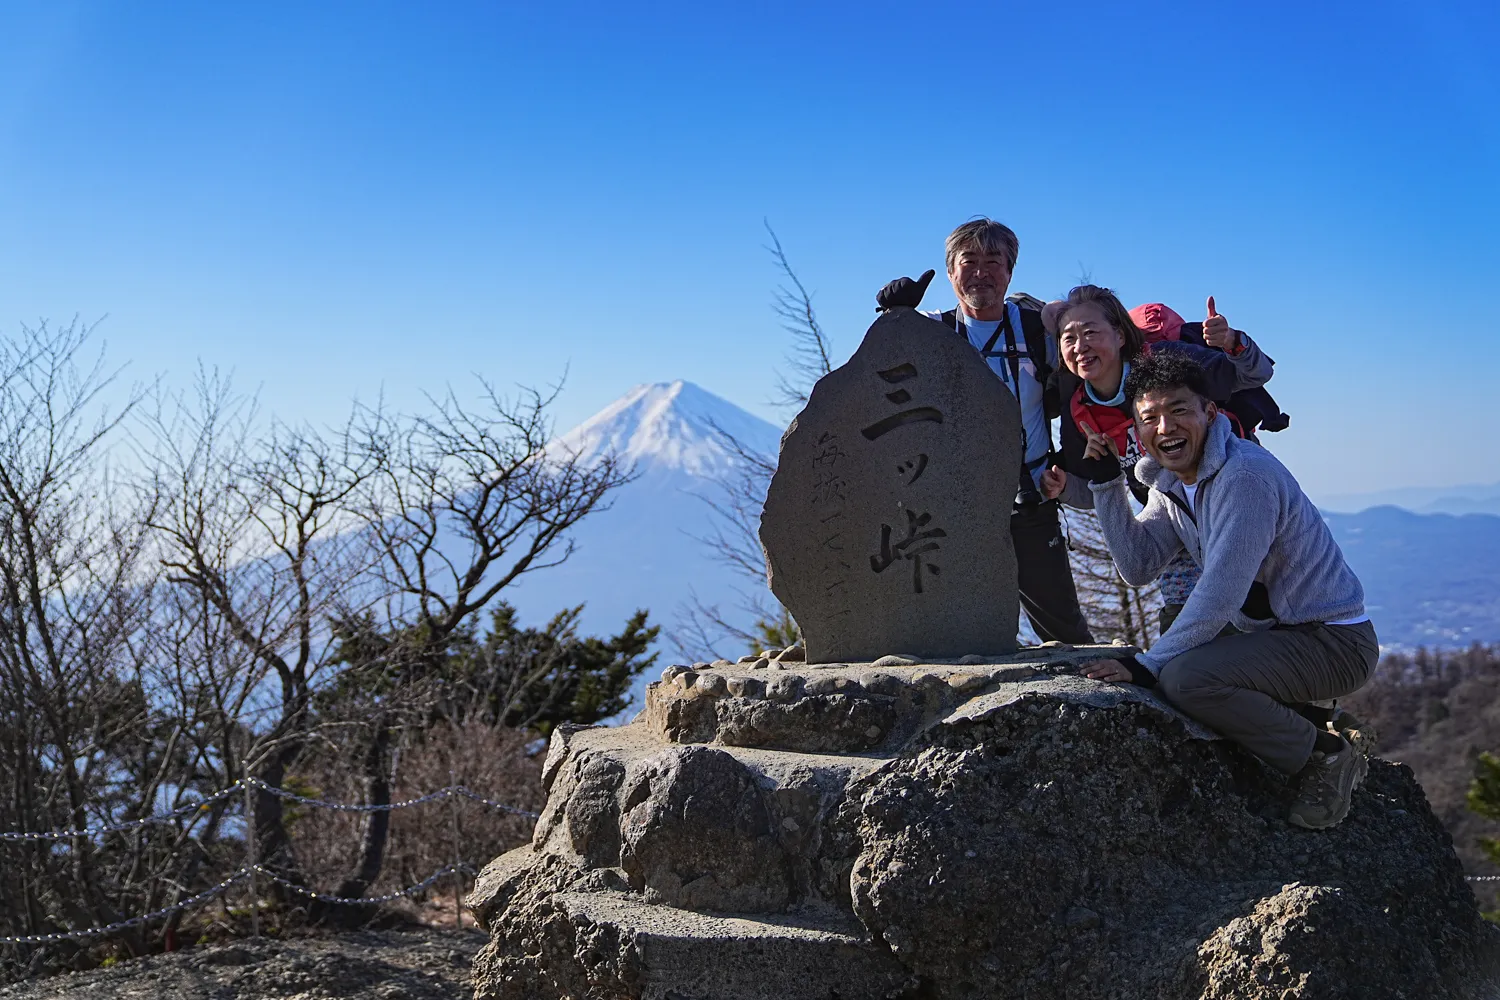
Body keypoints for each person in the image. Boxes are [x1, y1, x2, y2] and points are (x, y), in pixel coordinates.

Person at [1079, 351, 1377, 830]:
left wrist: (1146, 665)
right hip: (1276, 636)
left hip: (1333, 641)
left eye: (1179, 410)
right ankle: (1296, 715)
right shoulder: (1172, 483)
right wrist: (1105, 488)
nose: (1165, 427)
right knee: (1177, 633)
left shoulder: (1245, 476)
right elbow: (1136, 567)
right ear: (1136, 431)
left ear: (1209, 413)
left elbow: (1221, 591)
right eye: (1149, 417)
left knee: (1183, 679)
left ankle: (1326, 756)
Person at [876, 219, 1093, 645]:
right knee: (961, 636)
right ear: (951, 272)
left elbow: (1091, 366)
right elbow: (880, 382)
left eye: (994, 261)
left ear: (1011, 271)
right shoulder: (931, 332)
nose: (981, 272)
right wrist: (893, 317)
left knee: (1065, 633)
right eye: (968, 261)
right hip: (950, 507)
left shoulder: (1037, 332)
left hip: (1030, 498)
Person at [1038, 285, 1274, 631]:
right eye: (1068, 338)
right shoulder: (1080, 410)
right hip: (1172, 523)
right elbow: (1094, 490)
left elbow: (1256, 374)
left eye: (1090, 333)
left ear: (1120, 335)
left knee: (1261, 619)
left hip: (1233, 505)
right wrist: (1064, 488)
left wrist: (1232, 342)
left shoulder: (1165, 363)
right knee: (1185, 631)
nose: (1080, 346)